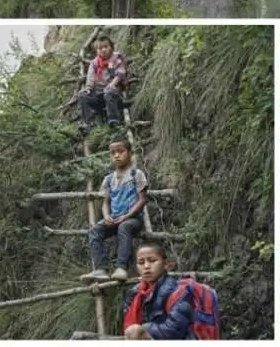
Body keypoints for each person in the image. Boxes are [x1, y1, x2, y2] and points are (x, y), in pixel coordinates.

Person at [81, 139, 147, 283]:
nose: (116, 155)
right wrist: (106, 215)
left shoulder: (137, 174)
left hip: (133, 218)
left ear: (129, 153)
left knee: (124, 227)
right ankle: (101, 269)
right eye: (113, 153)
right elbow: (105, 202)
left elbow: (142, 200)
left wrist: (127, 216)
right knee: (95, 230)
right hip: (114, 218)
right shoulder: (109, 179)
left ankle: (121, 268)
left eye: (121, 151)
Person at [122, 244, 194, 340]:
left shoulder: (178, 291)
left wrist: (144, 330)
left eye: (152, 260)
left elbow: (176, 328)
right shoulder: (134, 293)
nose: (146, 266)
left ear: (166, 264)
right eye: (141, 262)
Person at [78, 34, 128, 134]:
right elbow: (91, 77)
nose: (103, 50)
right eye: (100, 48)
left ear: (111, 47)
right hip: (98, 95)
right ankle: (88, 123)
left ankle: (114, 120)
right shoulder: (95, 63)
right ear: (97, 50)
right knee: (82, 96)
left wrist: (112, 84)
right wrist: (88, 88)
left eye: (106, 47)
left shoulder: (116, 59)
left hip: (113, 95)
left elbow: (120, 73)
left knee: (109, 92)